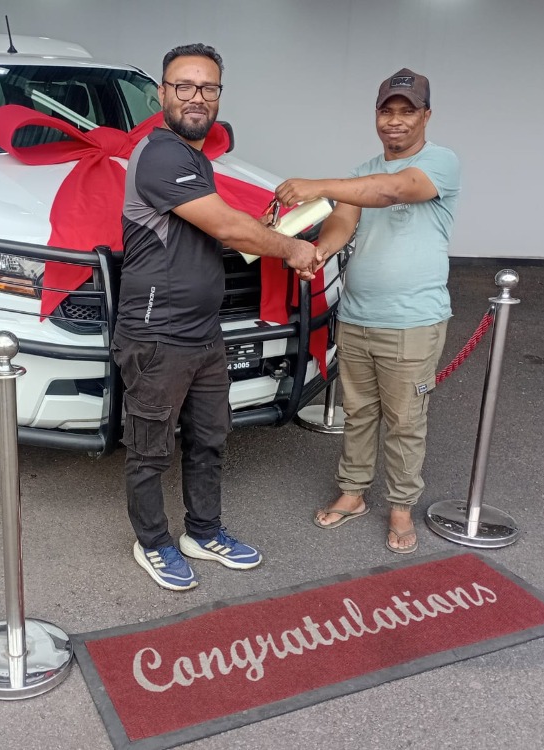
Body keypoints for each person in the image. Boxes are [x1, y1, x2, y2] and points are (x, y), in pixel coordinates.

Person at [115, 43, 320, 591]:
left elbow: (215, 227)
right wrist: (292, 248)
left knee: (209, 438)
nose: (196, 97)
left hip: (203, 333)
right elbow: (227, 227)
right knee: (150, 449)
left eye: (207, 87)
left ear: (219, 95)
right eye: (183, 86)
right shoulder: (161, 155)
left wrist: (267, 230)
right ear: (162, 93)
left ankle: (203, 533)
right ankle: (153, 541)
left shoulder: (193, 158)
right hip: (157, 335)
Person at [275, 68, 461, 554]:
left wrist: (316, 185)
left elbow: (392, 190)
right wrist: (318, 253)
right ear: (376, 115)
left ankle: (400, 506)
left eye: (407, 111)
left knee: (405, 421)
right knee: (358, 413)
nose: (395, 120)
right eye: (386, 110)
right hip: (358, 316)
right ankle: (353, 492)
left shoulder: (440, 163)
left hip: (412, 321)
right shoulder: (361, 173)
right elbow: (343, 220)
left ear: (426, 116)